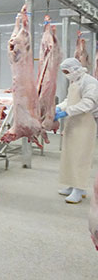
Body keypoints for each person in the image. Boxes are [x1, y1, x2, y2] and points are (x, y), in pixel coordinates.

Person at [54, 57, 98, 204]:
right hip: (73, 122)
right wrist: (59, 108)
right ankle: (72, 185)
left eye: (67, 72)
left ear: (75, 69)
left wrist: (67, 112)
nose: (66, 75)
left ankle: (79, 190)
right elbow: (69, 99)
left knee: (81, 156)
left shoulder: (90, 82)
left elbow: (88, 103)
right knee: (70, 155)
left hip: (86, 122)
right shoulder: (74, 82)